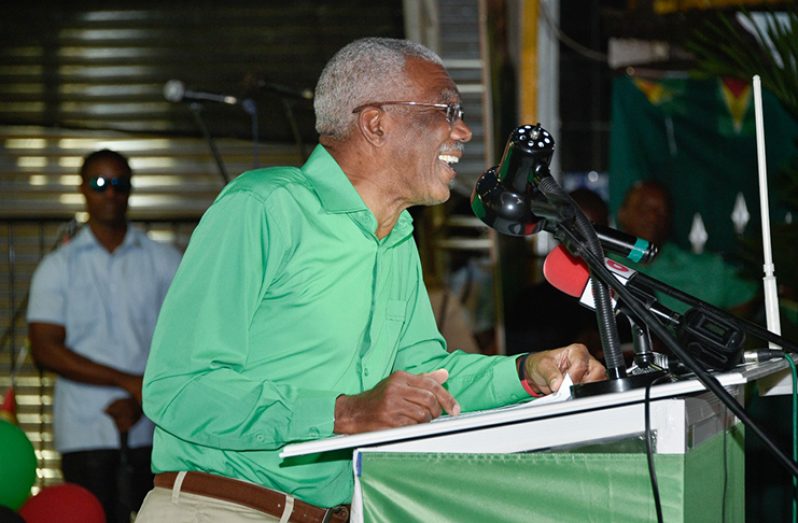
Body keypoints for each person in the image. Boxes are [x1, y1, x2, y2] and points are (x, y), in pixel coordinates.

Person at [137, 37, 606, 522]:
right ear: (376, 123)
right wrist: (343, 412)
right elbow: (178, 388)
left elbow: (430, 379)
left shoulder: (397, 237)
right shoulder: (265, 207)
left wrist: (527, 371)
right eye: (446, 110)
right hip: (218, 508)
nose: (463, 131)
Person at [26, 149, 182, 523]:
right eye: (100, 183)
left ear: (130, 190)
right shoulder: (57, 266)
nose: (110, 193)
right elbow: (45, 348)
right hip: (84, 430)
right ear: (82, 189)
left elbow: (186, 339)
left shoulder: (163, 259)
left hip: (153, 427)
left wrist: (144, 396)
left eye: (119, 184)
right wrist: (127, 382)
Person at [616, 180, 757, 314]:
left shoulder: (704, 267)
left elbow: (749, 295)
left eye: (661, 211)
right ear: (622, 214)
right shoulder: (603, 264)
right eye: (644, 209)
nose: (653, 217)